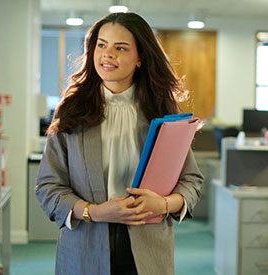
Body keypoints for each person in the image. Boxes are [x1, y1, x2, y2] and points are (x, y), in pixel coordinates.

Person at [35, 12, 203, 275]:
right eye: (101, 45)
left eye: (120, 48)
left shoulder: (162, 111)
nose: (107, 54)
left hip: (148, 248)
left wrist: (165, 204)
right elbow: (48, 187)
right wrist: (96, 212)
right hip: (85, 246)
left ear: (140, 58)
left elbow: (191, 181)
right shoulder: (72, 110)